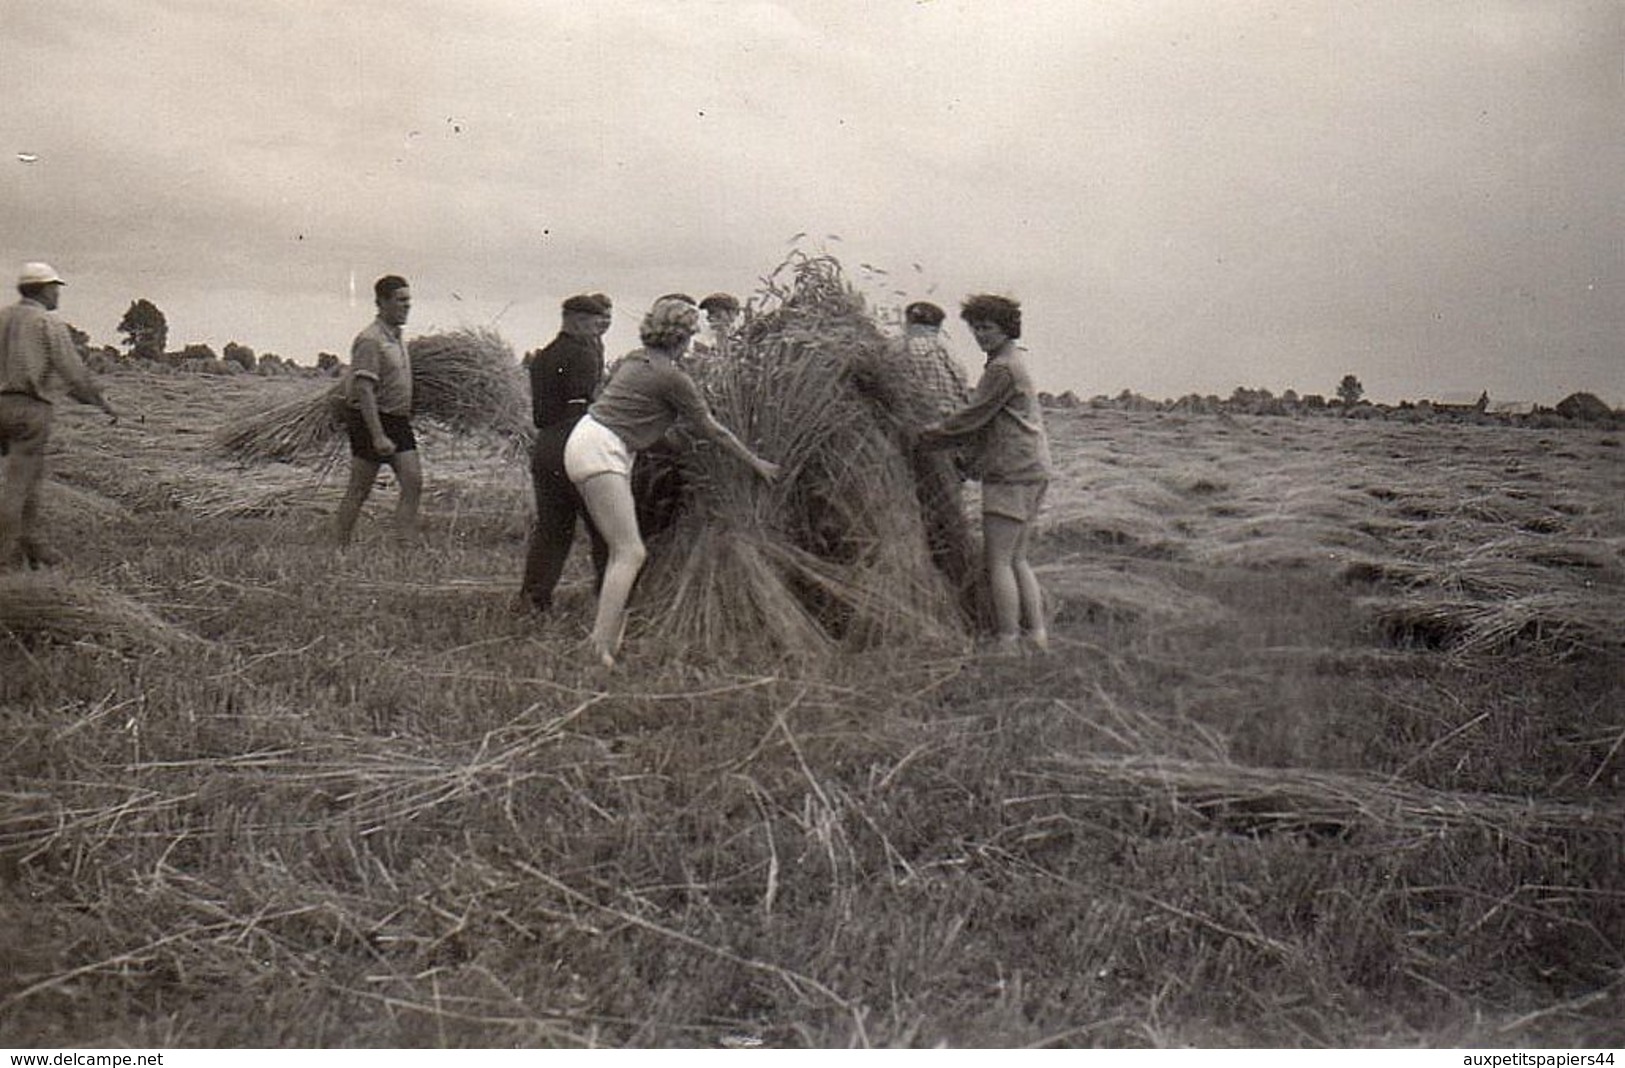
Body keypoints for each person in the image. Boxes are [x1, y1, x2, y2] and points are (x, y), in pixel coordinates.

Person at [564, 296, 780, 667]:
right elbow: (713, 430)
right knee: (630, 552)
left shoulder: (635, 359)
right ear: (682, 339)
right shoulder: (672, 377)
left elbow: (633, 408)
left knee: (623, 550)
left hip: (587, 438)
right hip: (603, 450)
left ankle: (609, 640)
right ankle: (599, 648)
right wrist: (756, 462)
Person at [919, 294, 1052, 653]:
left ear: (1006, 327)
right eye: (975, 328)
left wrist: (925, 436)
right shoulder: (1011, 360)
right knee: (1017, 558)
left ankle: (1007, 641)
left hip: (1011, 470)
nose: (981, 335)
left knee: (998, 562)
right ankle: (1037, 637)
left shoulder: (1001, 369)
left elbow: (973, 418)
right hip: (1032, 467)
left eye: (988, 328)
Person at [0, 262, 121, 570]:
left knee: (30, 479)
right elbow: (72, 373)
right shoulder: (47, 323)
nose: (57, 294)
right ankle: (6, 558)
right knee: (19, 482)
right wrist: (99, 402)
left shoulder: (3, 317)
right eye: (55, 288)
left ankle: (32, 544)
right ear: (43, 289)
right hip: (29, 409)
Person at [517, 292, 613, 613]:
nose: (596, 329)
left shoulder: (544, 356)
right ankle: (610, 599)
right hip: (576, 446)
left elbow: (541, 415)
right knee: (603, 526)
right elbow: (581, 409)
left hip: (546, 446)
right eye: (591, 322)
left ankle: (533, 599)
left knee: (552, 529)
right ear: (575, 320)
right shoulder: (583, 354)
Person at [893, 301, 975, 601]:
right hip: (952, 444)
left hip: (918, 445)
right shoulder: (952, 356)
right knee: (949, 515)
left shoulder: (897, 350)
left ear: (908, 322)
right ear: (938, 327)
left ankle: (923, 586)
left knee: (918, 515)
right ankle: (958, 583)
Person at [332, 274, 420, 547]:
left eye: (409, 300)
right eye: (401, 300)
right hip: (372, 421)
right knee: (359, 490)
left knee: (414, 482)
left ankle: (403, 545)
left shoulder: (398, 338)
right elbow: (363, 389)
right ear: (381, 303)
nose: (407, 306)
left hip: (398, 421)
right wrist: (378, 435)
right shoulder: (370, 340)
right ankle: (339, 547)